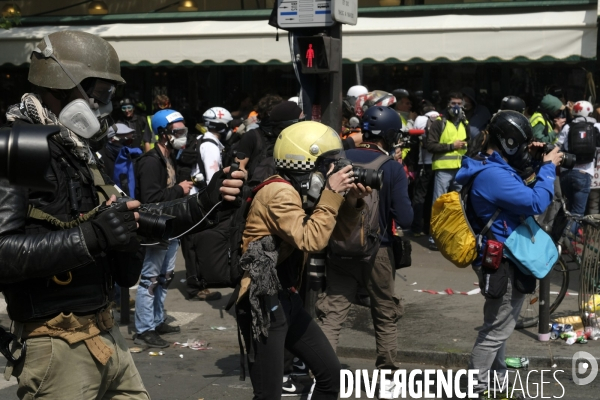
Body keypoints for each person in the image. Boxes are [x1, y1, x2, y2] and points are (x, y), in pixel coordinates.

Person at [0, 30, 244, 400]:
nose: (104, 107)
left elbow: (136, 217)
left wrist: (207, 201)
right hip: (56, 343)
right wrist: (92, 236)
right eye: (98, 95)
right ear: (64, 86)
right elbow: (3, 252)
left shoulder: (77, 152)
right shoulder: (17, 149)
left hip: (105, 333)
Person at [236, 120, 369, 400]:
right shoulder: (279, 192)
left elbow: (338, 234)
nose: (334, 169)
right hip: (263, 302)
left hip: (287, 299)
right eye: (327, 163)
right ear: (303, 162)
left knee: (331, 377)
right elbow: (311, 239)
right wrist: (331, 195)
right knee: (268, 395)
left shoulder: (301, 191)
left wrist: (352, 202)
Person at [455, 111, 562, 399]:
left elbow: (518, 187)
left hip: (501, 255)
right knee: (495, 332)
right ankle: (473, 389)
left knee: (498, 326)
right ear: (509, 141)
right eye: (521, 144)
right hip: (505, 261)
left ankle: (497, 384)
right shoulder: (492, 175)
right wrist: (549, 168)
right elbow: (535, 201)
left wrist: (535, 161)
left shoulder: (490, 166)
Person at [316, 106, 413, 376]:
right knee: (385, 315)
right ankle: (388, 377)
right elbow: (406, 218)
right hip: (378, 252)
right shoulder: (392, 167)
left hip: (337, 248)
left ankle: (322, 376)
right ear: (392, 136)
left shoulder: (338, 160)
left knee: (332, 314)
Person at [133, 109, 195, 348]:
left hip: (170, 226)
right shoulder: (150, 162)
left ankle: (157, 320)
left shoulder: (169, 157)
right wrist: (180, 189)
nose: (182, 135)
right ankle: (144, 328)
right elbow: (150, 198)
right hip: (155, 228)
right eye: (177, 131)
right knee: (150, 279)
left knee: (164, 277)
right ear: (163, 133)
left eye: (183, 130)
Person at [425, 91, 470, 250]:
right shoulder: (439, 123)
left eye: (459, 103)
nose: (456, 107)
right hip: (443, 170)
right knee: (439, 204)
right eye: (453, 104)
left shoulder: (464, 122)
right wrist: (452, 146)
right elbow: (430, 145)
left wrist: (465, 146)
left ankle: (456, 236)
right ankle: (434, 237)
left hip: (460, 170)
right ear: (447, 105)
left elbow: (468, 142)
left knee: (459, 204)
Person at [557, 101, 599, 220]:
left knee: (568, 210)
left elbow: (557, 146)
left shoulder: (568, 127)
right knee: (577, 214)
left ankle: (560, 236)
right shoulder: (596, 127)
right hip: (583, 173)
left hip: (565, 173)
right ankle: (569, 238)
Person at [97, 122, 141, 197]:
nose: (129, 146)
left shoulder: (132, 157)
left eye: (130, 141)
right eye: (126, 141)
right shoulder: (100, 159)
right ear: (113, 139)